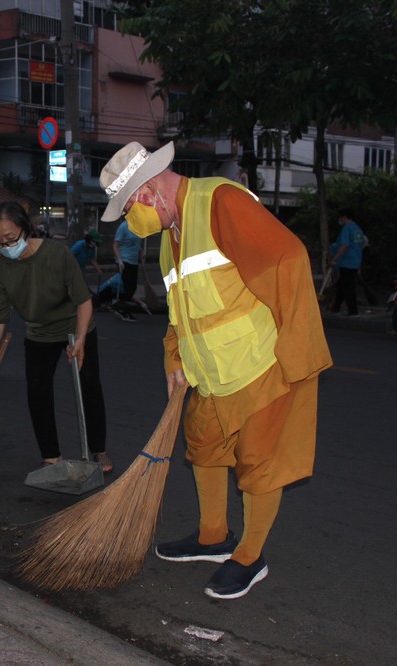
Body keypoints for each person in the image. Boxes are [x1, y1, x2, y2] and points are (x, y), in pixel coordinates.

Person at [99, 141, 332, 599]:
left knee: (258, 465)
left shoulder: (220, 201)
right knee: (204, 446)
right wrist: (176, 362)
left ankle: (249, 556)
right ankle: (213, 537)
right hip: (209, 375)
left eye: (128, 208)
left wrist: (296, 354)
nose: (131, 220)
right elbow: (177, 316)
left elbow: (288, 260)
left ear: (148, 192)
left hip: (260, 364)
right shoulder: (170, 238)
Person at [0, 201, 113, 474]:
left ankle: (99, 450)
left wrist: (81, 340)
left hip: (77, 326)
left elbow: (84, 301)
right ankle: (51, 456)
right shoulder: (2, 272)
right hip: (39, 333)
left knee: (89, 388)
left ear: (26, 230)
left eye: (11, 238)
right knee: (37, 392)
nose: (5, 246)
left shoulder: (57, 255)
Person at [329, 208, 367, 316]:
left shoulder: (347, 229)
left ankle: (353, 310)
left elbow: (344, 246)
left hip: (347, 262)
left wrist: (334, 259)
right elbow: (363, 243)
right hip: (355, 262)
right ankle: (336, 307)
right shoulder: (357, 229)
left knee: (348, 287)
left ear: (344, 217)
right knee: (342, 285)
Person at [113, 217, 142, 322]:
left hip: (134, 260)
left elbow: (138, 242)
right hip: (124, 260)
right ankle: (123, 309)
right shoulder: (124, 226)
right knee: (127, 286)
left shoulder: (138, 227)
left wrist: (140, 252)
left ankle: (121, 306)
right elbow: (115, 245)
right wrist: (119, 260)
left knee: (133, 287)